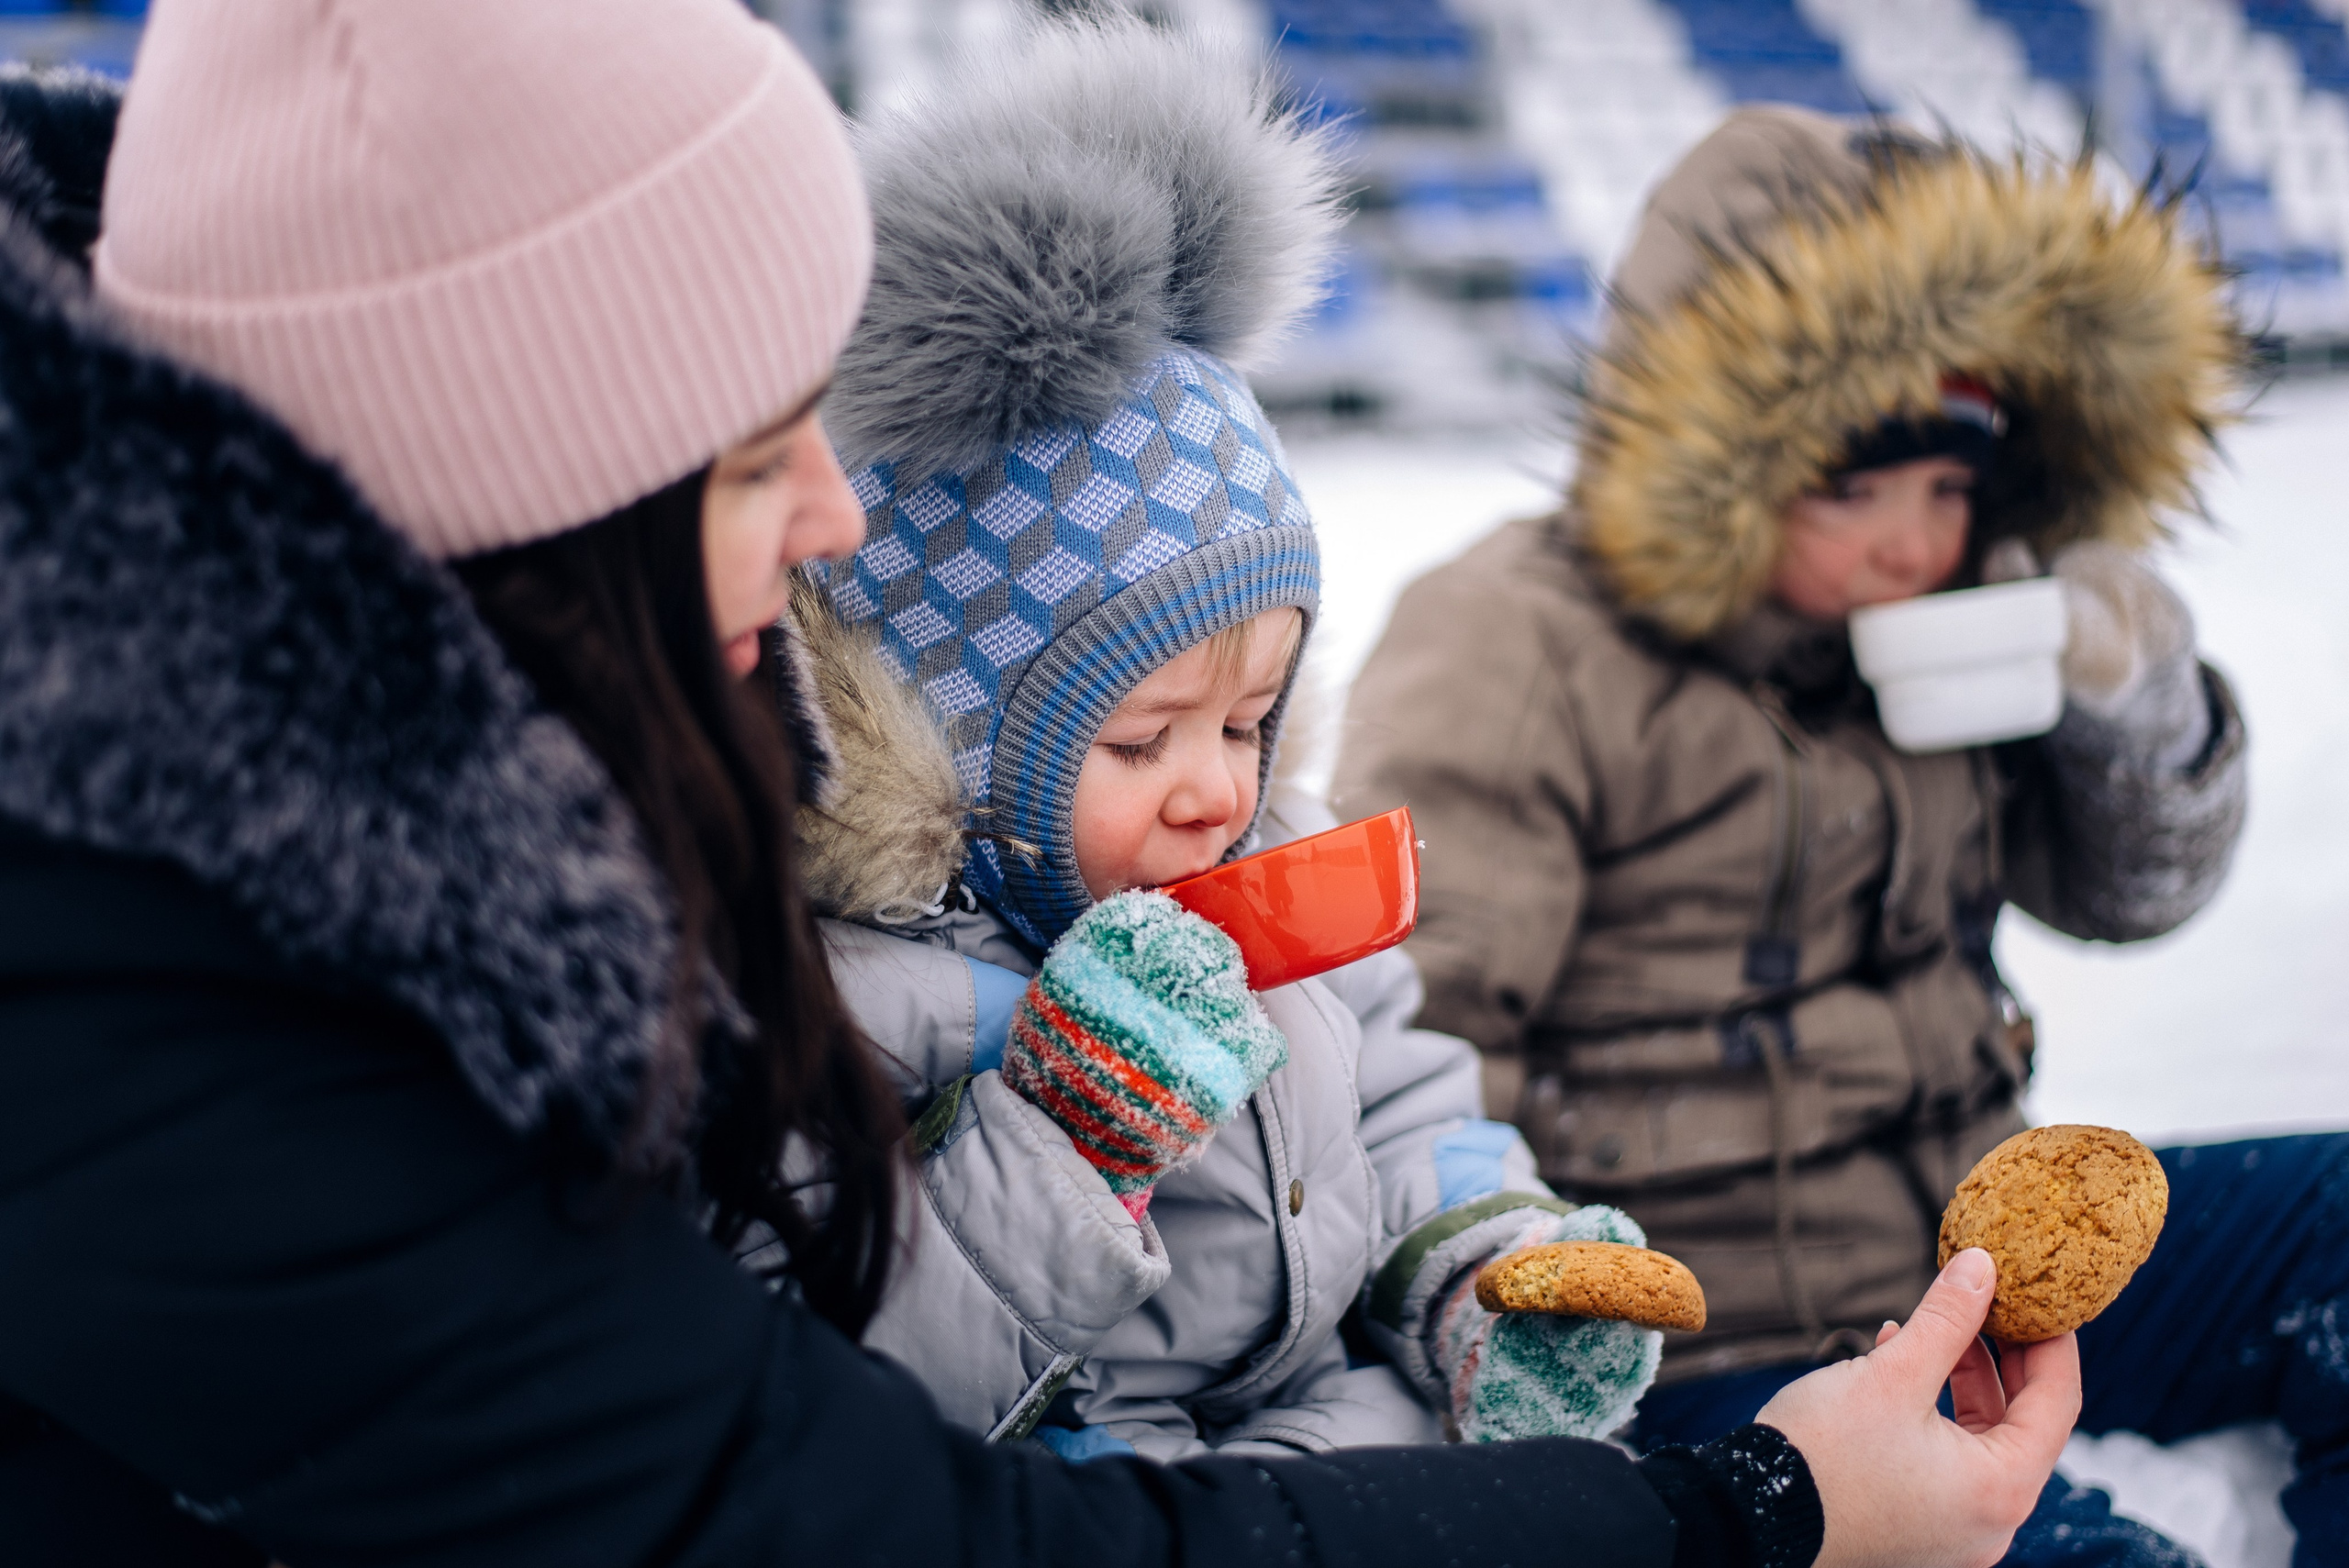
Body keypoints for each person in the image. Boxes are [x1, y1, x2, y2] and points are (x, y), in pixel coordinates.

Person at [0, 10, 2074, 1564]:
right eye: (751, 458)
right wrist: (1747, 1515)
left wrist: (1478, 1280)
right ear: (533, 500)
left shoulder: (445, 845)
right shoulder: (199, 1028)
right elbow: (865, 1499)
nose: (833, 527)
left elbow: (1411, 1102)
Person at [1334, 104, 2348, 1562]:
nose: (1908, 543)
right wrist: (1515, 1307)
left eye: (1949, 490)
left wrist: (2135, 704)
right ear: (1721, 451)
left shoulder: (1955, 624)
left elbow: (2132, 894)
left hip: (1972, 1275)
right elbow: (1406, 1030)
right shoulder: (1516, 643)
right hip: (1721, 1347)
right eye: (1854, 484)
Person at [785, 21, 1662, 1461]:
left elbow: (1399, 1092)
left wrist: (1486, 1269)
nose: (1219, 788)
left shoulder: (1266, 865)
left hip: (1337, 1434)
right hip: (1094, 1494)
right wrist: (1068, 1138)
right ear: (954, 744)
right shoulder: (854, 988)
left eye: (1250, 721)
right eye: (1141, 741)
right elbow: (852, 1360)